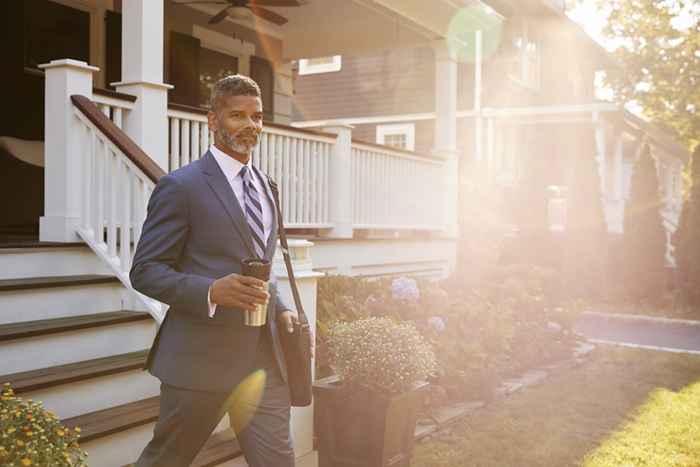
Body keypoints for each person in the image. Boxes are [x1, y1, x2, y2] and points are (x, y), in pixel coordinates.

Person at [130, 74, 297, 467]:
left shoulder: (268, 186)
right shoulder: (180, 186)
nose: (250, 125)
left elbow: (265, 263)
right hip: (198, 363)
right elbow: (146, 270)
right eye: (237, 115)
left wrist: (283, 305)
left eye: (256, 116)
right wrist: (210, 291)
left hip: (263, 361)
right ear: (212, 120)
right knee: (166, 460)